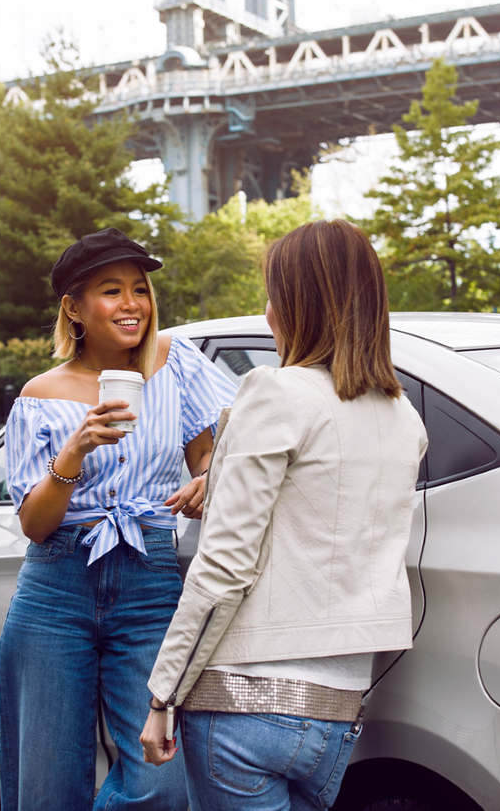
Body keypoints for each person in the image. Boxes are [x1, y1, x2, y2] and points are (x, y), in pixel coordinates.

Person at [140, 219, 428, 810]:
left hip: (243, 705)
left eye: (273, 293)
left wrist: (163, 694)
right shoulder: (405, 420)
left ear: (299, 303)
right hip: (339, 711)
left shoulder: (274, 392)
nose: (267, 310)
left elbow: (224, 566)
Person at [0, 228, 237, 811]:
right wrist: (74, 452)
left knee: (161, 781)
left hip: (150, 579)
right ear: (74, 308)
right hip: (57, 586)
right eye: (111, 290)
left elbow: (209, 451)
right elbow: (34, 524)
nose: (132, 304)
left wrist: (210, 475)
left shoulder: (175, 364)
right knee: (47, 787)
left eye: (139, 289)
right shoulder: (40, 395)